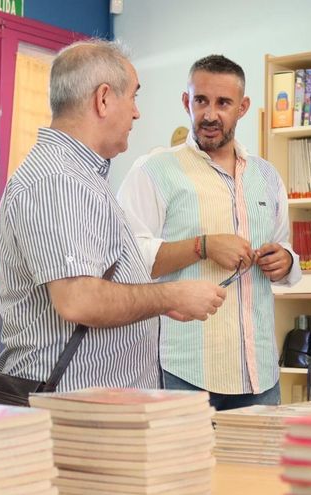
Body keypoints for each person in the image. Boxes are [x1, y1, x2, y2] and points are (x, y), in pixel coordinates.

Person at [0, 40, 226, 392]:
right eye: (133, 97)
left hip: (95, 409)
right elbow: (79, 300)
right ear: (103, 99)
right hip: (71, 413)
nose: (137, 113)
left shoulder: (81, 176)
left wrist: (154, 306)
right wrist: (171, 295)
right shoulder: (59, 180)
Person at [118, 54, 301, 411]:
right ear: (187, 102)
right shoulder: (153, 171)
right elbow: (127, 261)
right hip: (182, 373)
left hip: (260, 372)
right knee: (184, 469)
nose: (210, 114)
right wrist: (202, 247)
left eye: (223, 103)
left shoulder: (267, 177)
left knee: (258, 469)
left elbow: (285, 248)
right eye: (201, 100)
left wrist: (285, 260)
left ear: (243, 107)